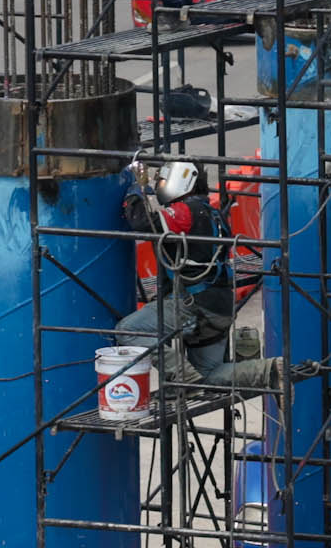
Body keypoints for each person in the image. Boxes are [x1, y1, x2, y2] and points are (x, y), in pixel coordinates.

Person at [116, 158, 279, 391]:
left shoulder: (185, 211)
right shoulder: (214, 213)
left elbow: (144, 224)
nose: (159, 183)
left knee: (127, 331)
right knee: (209, 375)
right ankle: (269, 370)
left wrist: (135, 192)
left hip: (193, 305)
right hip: (220, 308)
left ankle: (181, 377)